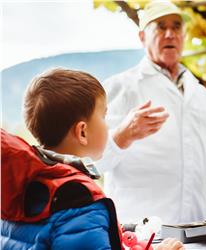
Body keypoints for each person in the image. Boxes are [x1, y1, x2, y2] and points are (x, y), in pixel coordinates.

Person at [97, 1, 206, 224]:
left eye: (177, 27)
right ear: (142, 37)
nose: (170, 34)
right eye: (160, 26)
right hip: (138, 234)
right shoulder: (119, 88)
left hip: (194, 231)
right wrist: (123, 135)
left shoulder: (203, 96)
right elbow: (93, 162)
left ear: (184, 36)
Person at [1, 68, 183, 250]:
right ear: (82, 132)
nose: (107, 124)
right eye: (103, 116)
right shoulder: (77, 200)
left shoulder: (24, 184)